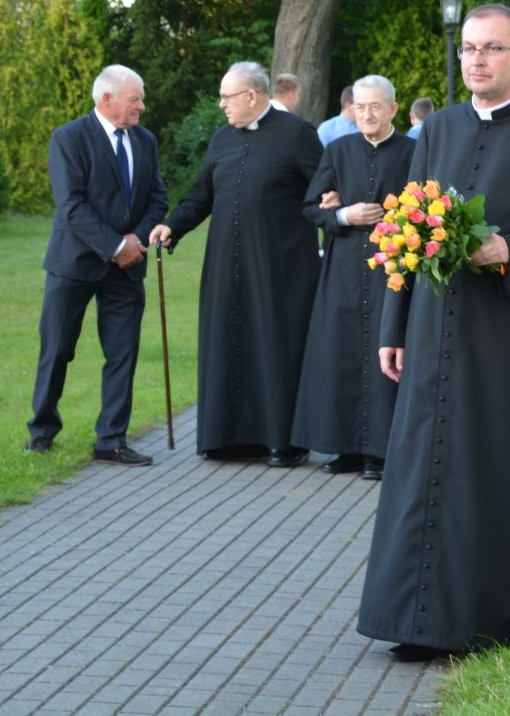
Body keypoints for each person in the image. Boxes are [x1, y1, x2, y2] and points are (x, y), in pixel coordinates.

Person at [358, 4, 510, 660]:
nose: (476, 60)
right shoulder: (435, 130)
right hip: (432, 331)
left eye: (491, 49)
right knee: (421, 468)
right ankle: (414, 621)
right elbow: (404, 232)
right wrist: (393, 326)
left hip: (509, 341)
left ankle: (486, 614)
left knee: (485, 471)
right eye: (468, 48)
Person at [147, 62, 322, 467]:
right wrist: (172, 225)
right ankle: (227, 438)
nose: (222, 104)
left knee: (277, 347)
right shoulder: (222, 138)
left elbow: (324, 190)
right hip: (227, 263)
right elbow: (201, 195)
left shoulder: (298, 134)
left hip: (281, 268)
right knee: (228, 339)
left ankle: (284, 442)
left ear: (252, 96)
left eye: (227, 96)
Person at [28, 65, 169, 466]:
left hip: (128, 266)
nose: (142, 106)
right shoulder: (69, 138)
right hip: (74, 263)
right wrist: (114, 246)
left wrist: (134, 241)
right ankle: (41, 431)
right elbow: (71, 205)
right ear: (107, 99)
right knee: (57, 349)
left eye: (141, 99)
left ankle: (111, 439)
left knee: (123, 352)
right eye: (135, 99)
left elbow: (158, 197)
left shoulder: (145, 140)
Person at [291, 75, 416, 481]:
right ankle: (343, 446)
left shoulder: (413, 151)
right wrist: (345, 215)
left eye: (375, 106)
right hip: (343, 266)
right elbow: (311, 207)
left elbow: (425, 206)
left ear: (393, 109)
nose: (367, 114)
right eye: (360, 107)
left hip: (391, 267)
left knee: (385, 350)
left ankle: (379, 451)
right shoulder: (338, 149)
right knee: (340, 350)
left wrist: (390, 220)